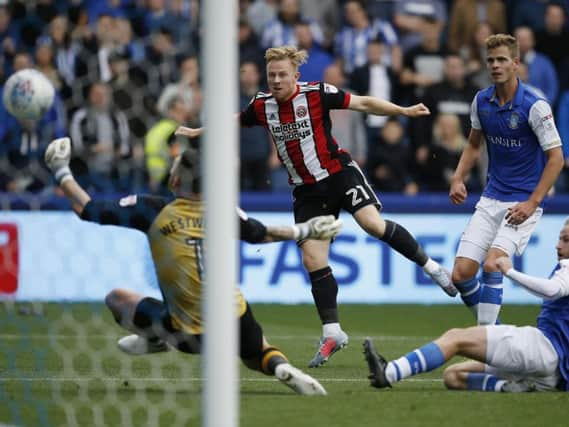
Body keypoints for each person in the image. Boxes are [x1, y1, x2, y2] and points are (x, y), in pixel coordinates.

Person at [176, 45, 457, 369]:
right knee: (312, 258)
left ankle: (432, 268)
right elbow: (235, 119)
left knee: (372, 224)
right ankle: (332, 332)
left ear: (296, 75)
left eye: (283, 74)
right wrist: (199, 130)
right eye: (272, 75)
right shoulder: (262, 105)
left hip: (339, 174)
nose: (277, 80)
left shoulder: (317, 94)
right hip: (307, 192)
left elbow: (363, 103)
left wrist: (403, 111)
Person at [43, 136, 342, 396]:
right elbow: (260, 233)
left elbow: (87, 208)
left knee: (117, 299)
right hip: (235, 316)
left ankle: (157, 338)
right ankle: (279, 366)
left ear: (175, 180)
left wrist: (61, 169)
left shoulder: (152, 209)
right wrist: (305, 230)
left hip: (186, 332)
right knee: (256, 352)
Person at [363, 217, 569, 393]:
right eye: (560, 238)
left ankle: (389, 372)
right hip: (554, 371)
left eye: (566, 240)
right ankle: (513, 386)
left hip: (545, 350)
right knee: (453, 376)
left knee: (455, 338)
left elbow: (552, 289)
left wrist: (510, 272)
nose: (558, 245)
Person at [449, 34, 564, 326]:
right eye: (491, 60)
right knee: (460, 274)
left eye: (502, 60)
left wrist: (532, 202)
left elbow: (556, 159)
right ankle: (496, 334)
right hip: (491, 197)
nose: (495, 65)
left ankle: (488, 347)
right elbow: (474, 145)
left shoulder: (535, 106)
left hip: (522, 201)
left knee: (493, 263)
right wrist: (458, 177)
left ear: (516, 64)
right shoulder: (481, 101)